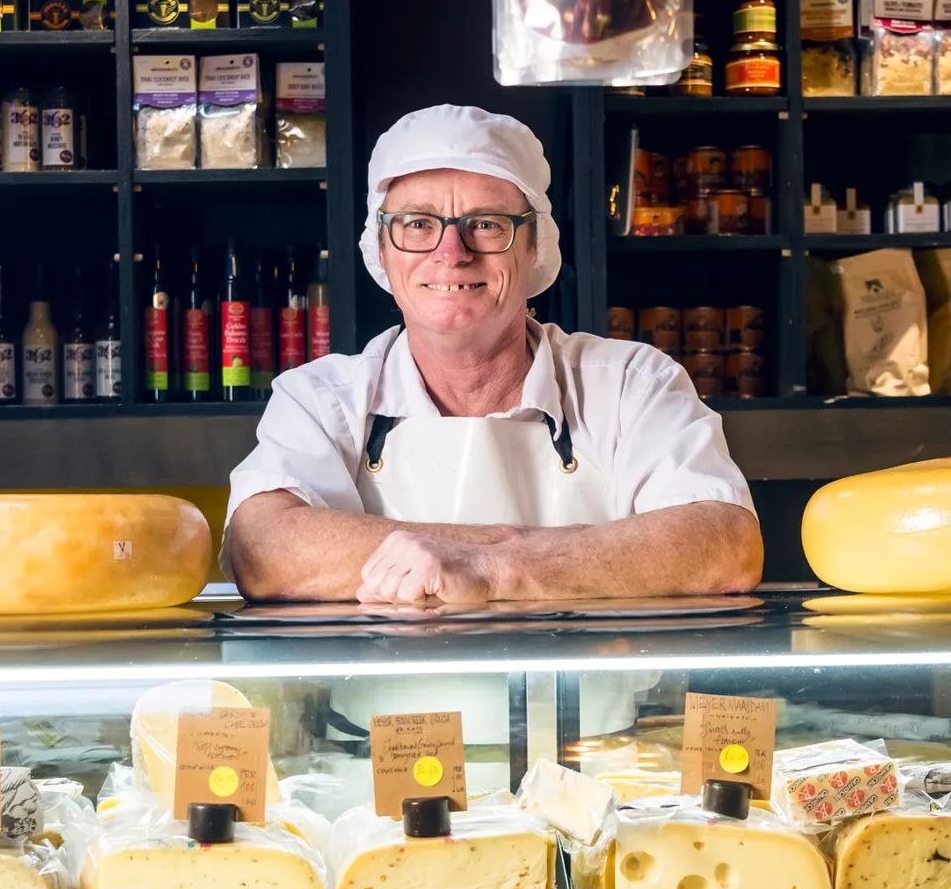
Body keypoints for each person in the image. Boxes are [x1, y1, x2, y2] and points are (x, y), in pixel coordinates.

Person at [224, 104, 762, 606]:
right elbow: (263, 548)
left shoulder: (630, 383)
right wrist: (521, 552)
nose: (451, 255)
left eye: (485, 224)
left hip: (593, 710)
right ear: (382, 252)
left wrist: (495, 566)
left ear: (535, 249)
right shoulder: (320, 398)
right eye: (417, 224)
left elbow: (725, 544)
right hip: (385, 713)